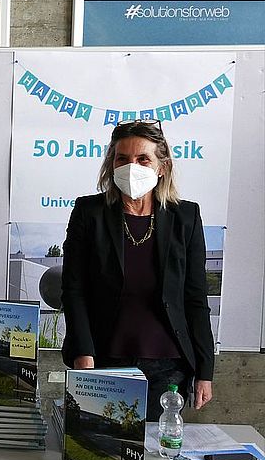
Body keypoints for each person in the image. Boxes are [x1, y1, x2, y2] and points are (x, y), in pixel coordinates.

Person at [61, 119, 214, 422]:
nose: (131, 167)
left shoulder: (186, 216)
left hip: (169, 367)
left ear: (162, 167)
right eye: (122, 159)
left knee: (156, 446)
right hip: (103, 359)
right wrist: (83, 353)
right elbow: (74, 291)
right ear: (111, 165)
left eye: (143, 159)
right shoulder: (89, 212)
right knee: (100, 444)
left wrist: (205, 371)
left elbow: (196, 298)